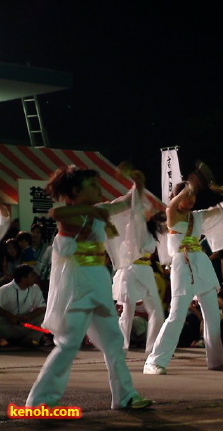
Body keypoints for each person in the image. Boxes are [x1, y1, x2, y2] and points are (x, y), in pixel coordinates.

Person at [26, 165, 152, 409]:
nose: (98, 188)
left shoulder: (99, 210)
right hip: (77, 285)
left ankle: (125, 396)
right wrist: (94, 213)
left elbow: (127, 203)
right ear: (75, 191)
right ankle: (40, 400)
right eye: (92, 185)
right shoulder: (73, 215)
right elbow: (55, 213)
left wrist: (139, 185)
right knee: (69, 343)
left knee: (114, 341)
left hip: (98, 282)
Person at [144, 175, 223, 375]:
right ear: (177, 196)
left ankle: (216, 360)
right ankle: (154, 361)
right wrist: (186, 189)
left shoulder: (197, 216)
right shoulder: (172, 215)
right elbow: (170, 208)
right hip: (182, 266)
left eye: (193, 196)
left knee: (213, 315)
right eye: (186, 196)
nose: (190, 200)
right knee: (176, 315)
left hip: (201, 264)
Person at [107, 211, 166, 356]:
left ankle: (152, 349)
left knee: (157, 312)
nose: (145, 212)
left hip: (145, 270)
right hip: (131, 271)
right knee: (127, 312)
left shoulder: (153, 229)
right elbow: (129, 244)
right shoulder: (131, 226)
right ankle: (121, 347)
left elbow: (168, 227)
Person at [0, 265, 48, 347]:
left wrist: (29, 316)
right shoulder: (5, 289)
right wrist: (9, 316)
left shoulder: (35, 288)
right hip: (6, 326)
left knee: (44, 316)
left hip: (25, 324)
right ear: (23, 279)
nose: (35, 277)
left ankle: (30, 340)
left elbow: (42, 307)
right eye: (32, 275)